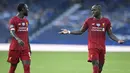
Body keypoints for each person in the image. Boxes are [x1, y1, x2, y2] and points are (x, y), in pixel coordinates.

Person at [59, 4, 124, 73]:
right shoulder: (89, 21)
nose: (92, 12)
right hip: (92, 47)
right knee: (95, 63)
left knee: (100, 68)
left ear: (99, 10)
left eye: (94, 10)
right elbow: (81, 31)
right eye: (92, 10)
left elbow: (110, 34)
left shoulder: (106, 21)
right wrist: (69, 32)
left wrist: (118, 40)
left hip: (102, 47)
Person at [7, 3, 31, 73]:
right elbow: (12, 32)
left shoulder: (26, 21)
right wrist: (18, 39)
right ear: (22, 9)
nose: (28, 10)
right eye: (27, 8)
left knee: (27, 67)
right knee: (13, 68)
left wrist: (29, 47)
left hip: (25, 49)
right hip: (15, 48)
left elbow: (26, 35)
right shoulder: (13, 20)